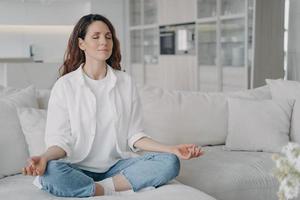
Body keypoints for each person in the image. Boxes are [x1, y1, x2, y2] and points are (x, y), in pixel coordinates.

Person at [22, 14, 203, 197]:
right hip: (75, 167)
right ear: (81, 43)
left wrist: (172, 149)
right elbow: (59, 141)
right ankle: (112, 187)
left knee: (169, 162)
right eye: (96, 36)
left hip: (117, 167)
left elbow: (135, 135)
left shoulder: (126, 82)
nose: (104, 41)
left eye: (108, 37)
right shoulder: (65, 85)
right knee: (50, 172)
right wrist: (44, 158)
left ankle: (95, 189)